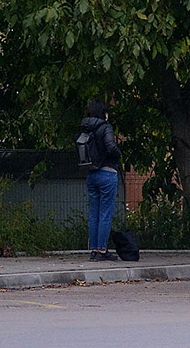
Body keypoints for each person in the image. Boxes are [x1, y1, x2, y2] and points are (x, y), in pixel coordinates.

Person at [80, 100, 121, 261]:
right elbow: (111, 147)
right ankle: (102, 250)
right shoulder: (106, 127)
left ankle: (94, 250)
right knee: (106, 213)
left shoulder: (86, 129)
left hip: (91, 174)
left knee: (94, 213)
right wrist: (118, 154)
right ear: (103, 113)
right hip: (107, 173)